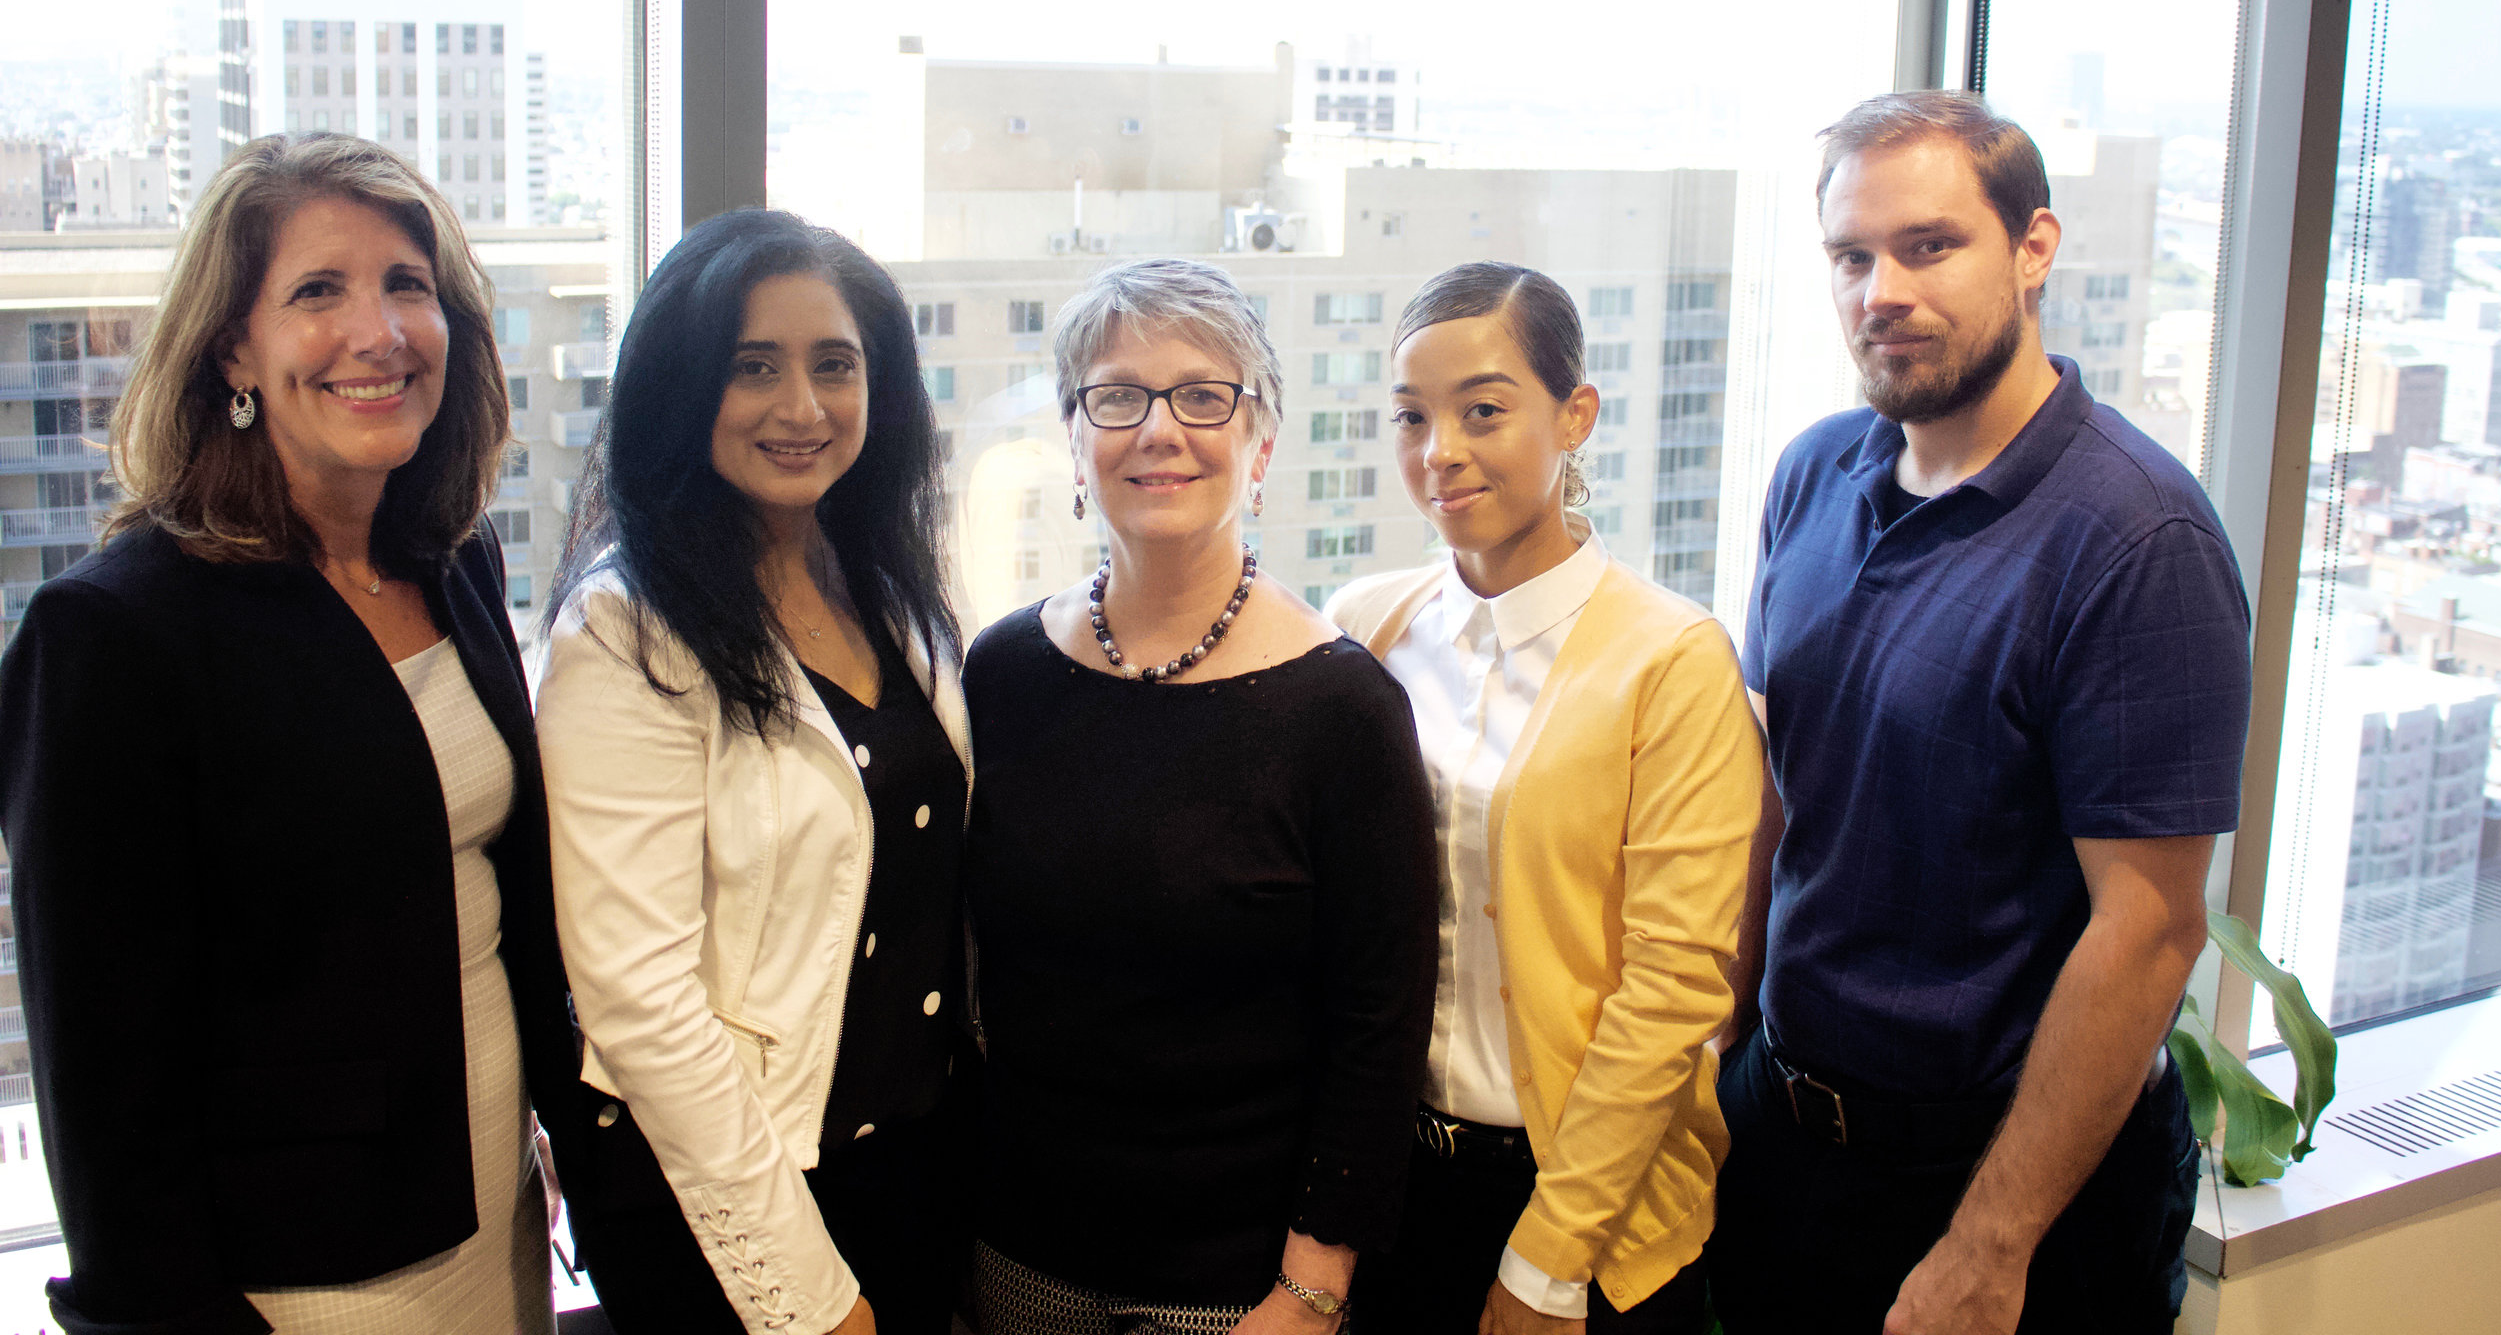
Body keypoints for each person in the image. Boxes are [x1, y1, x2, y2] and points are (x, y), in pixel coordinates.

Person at [0, 133, 579, 1335]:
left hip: (500, 1213)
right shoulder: (117, 634)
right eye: (319, 291)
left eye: (407, 285)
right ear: (233, 346)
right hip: (310, 1280)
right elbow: (105, 1080)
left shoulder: (448, 555)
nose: (380, 333)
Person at [1705, 91, 2252, 1335]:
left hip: (2005, 1192)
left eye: (1929, 246)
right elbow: (1782, 793)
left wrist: (1989, 1245)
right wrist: (1717, 1060)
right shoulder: (1815, 473)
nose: (1880, 290)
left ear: (2034, 249)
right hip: (1791, 1136)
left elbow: (2149, 928)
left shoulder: (2138, 540)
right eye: (1853, 256)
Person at [962, 256, 1438, 1335]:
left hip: (1244, 1286)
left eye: (1203, 395)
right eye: (1117, 395)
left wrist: (1313, 1286)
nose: (1159, 429)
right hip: (1015, 1255)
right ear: (1077, 440)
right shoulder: (998, 675)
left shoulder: (1343, 708)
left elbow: (1381, 1021)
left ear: (1259, 441)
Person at [535, 209, 971, 1335]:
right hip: (736, 1192)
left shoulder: (874, 578)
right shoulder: (625, 632)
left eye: (836, 366)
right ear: (683, 390)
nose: (803, 408)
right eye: (752, 368)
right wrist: (805, 1298)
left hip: (910, 1163)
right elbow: (640, 1003)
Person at [1329, 263, 1764, 1335]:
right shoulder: (1363, 627)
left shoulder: (1671, 657)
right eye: (1412, 417)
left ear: (1576, 415)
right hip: (1393, 1184)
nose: (1442, 453)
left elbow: (1675, 987)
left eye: (1484, 411)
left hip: (1587, 1199)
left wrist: (1547, 1259)